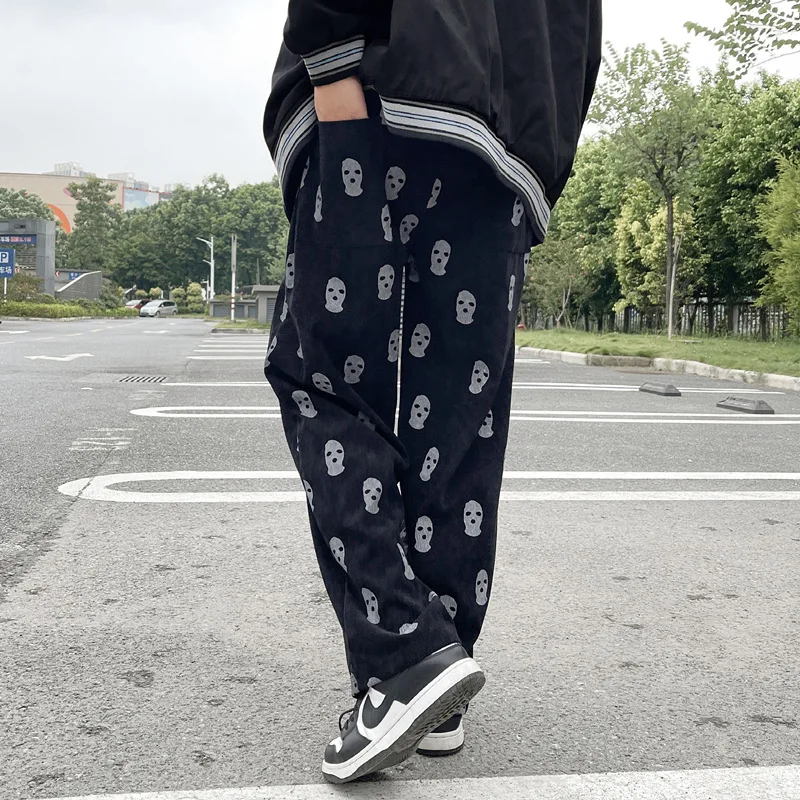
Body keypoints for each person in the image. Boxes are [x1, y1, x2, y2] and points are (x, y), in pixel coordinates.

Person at [263, 0, 602, 784]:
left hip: (380, 97)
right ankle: (438, 680)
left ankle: (404, 652)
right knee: (457, 418)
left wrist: (330, 71)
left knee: (319, 376)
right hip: (506, 141)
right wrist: (539, 158)